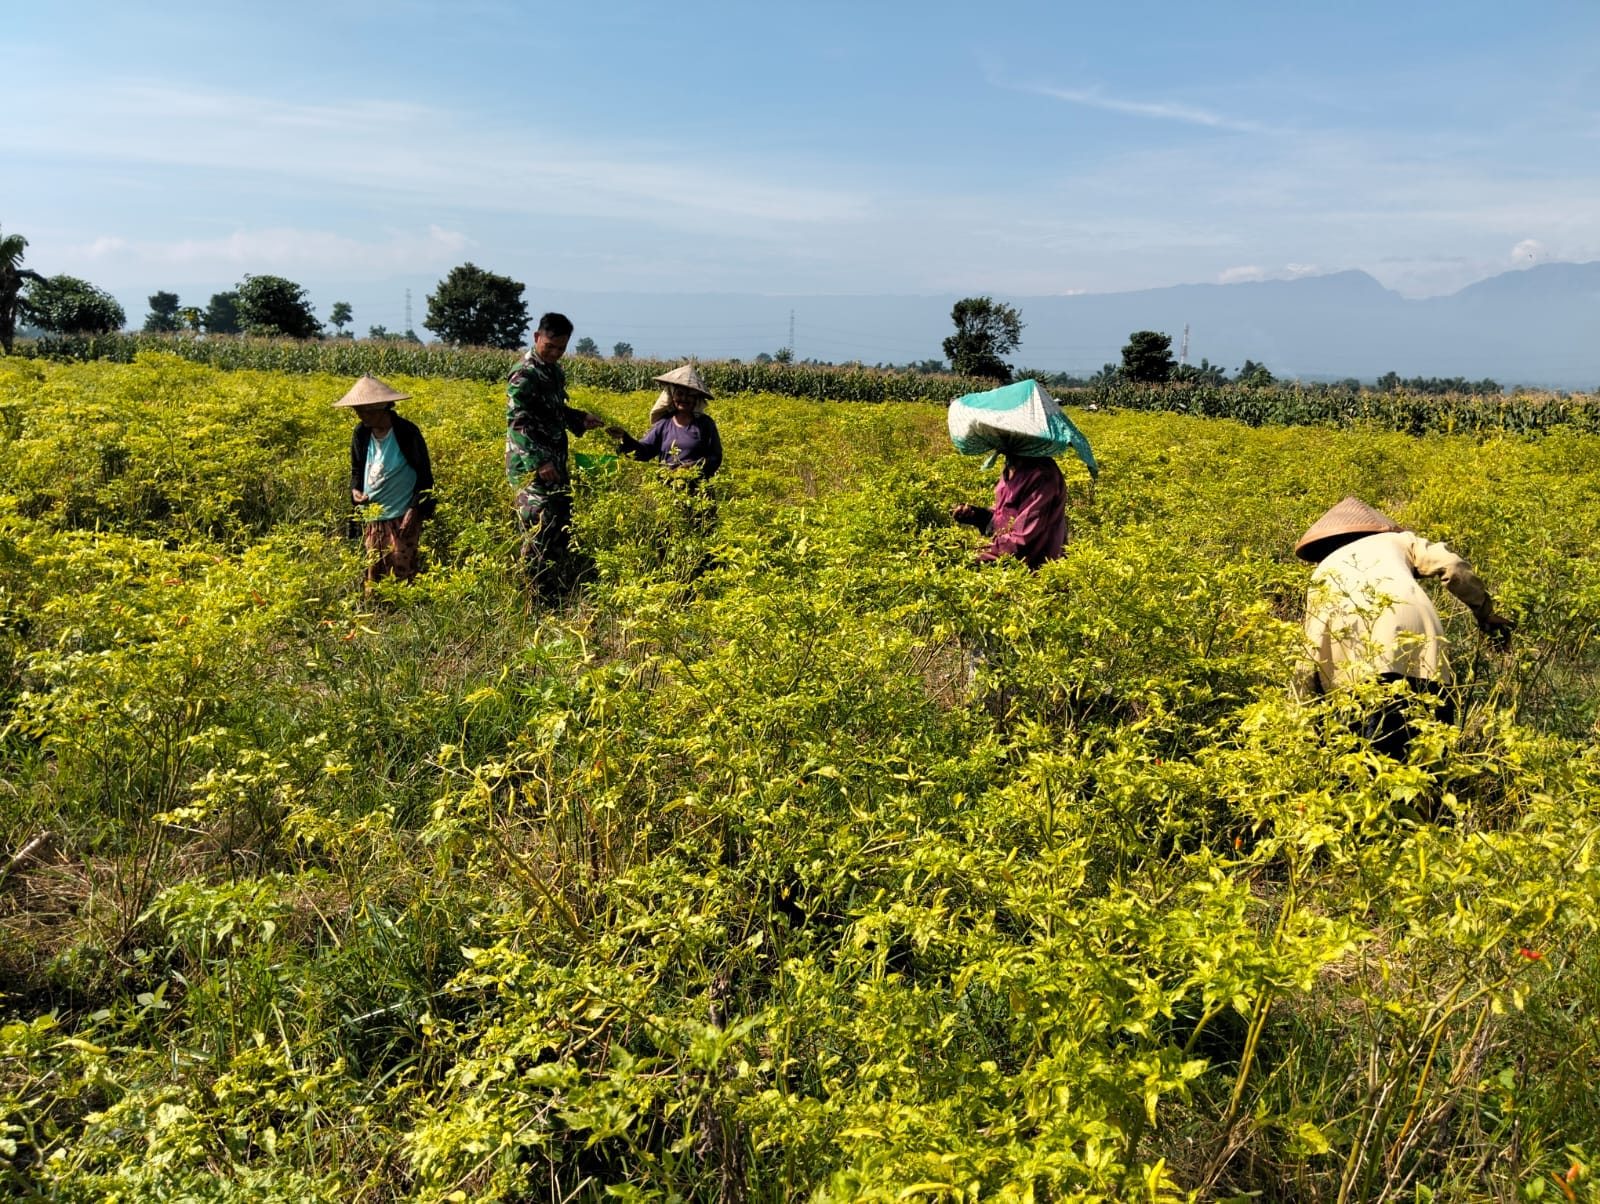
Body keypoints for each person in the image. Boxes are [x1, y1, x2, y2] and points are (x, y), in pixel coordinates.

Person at [1296, 497, 1514, 758]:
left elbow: (1309, 647)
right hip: (1417, 640)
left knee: (1367, 759)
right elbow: (1453, 566)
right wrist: (1485, 611)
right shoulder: (1399, 540)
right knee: (1430, 745)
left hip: (1353, 670)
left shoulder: (1321, 573)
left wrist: (1301, 716)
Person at [505, 313, 607, 599]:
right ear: (537, 337)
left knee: (560, 522)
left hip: (555, 461)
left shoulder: (552, 371)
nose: (555, 353)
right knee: (539, 523)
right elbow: (518, 420)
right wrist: (539, 462)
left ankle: (553, 588)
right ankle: (533, 594)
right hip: (530, 465)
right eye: (550, 346)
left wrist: (579, 418)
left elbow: (552, 410)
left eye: (561, 348)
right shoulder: (524, 373)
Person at [336, 374, 434, 584]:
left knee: (402, 570)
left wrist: (414, 509)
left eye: (363, 410)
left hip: (402, 516)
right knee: (373, 571)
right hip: (372, 516)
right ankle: (377, 615)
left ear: (380, 408)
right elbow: (356, 470)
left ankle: (404, 616)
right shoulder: (361, 433)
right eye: (357, 410)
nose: (359, 415)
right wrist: (355, 491)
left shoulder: (407, 432)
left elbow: (425, 475)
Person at [607, 364, 722, 482]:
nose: (684, 398)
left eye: (690, 395)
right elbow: (645, 451)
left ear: (696, 399)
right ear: (672, 396)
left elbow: (715, 457)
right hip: (667, 488)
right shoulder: (664, 423)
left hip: (698, 491)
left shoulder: (705, 424)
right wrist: (624, 437)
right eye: (680, 394)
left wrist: (692, 467)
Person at [951, 452, 1067, 569]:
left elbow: (1022, 538)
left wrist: (973, 555)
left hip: (1034, 570)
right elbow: (1004, 514)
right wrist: (979, 516)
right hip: (1008, 564)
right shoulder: (1012, 466)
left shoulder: (1042, 475)